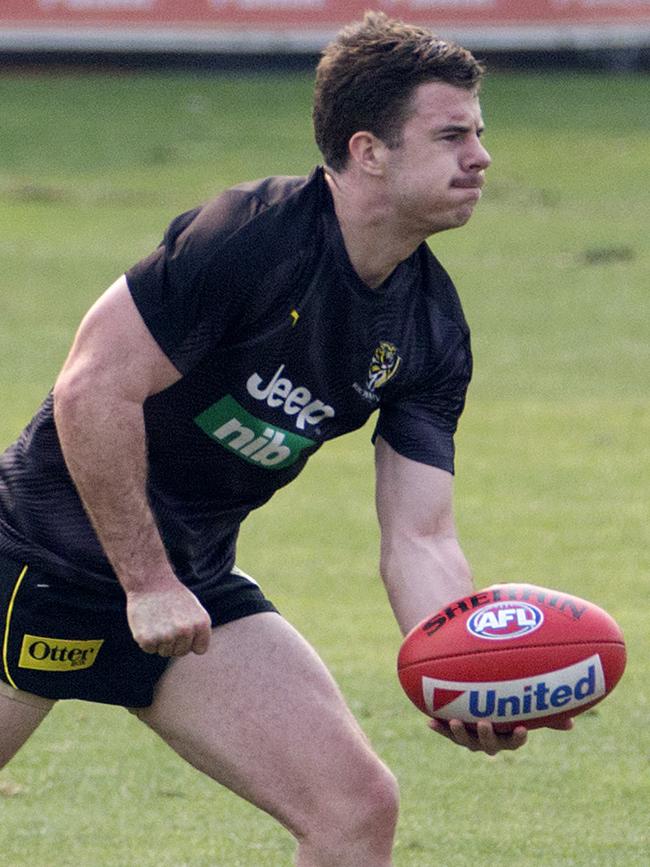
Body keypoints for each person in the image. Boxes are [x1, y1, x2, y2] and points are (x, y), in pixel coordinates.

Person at [0, 12, 568, 866]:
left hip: (193, 584)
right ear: (368, 149)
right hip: (35, 557)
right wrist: (144, 580)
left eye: (479, 134)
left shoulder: (431, 328)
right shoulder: (249, 237)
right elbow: (91, 388)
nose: (481, 157)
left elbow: (420, 535)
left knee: (354, 808)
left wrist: (458, 674)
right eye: (452, 135)